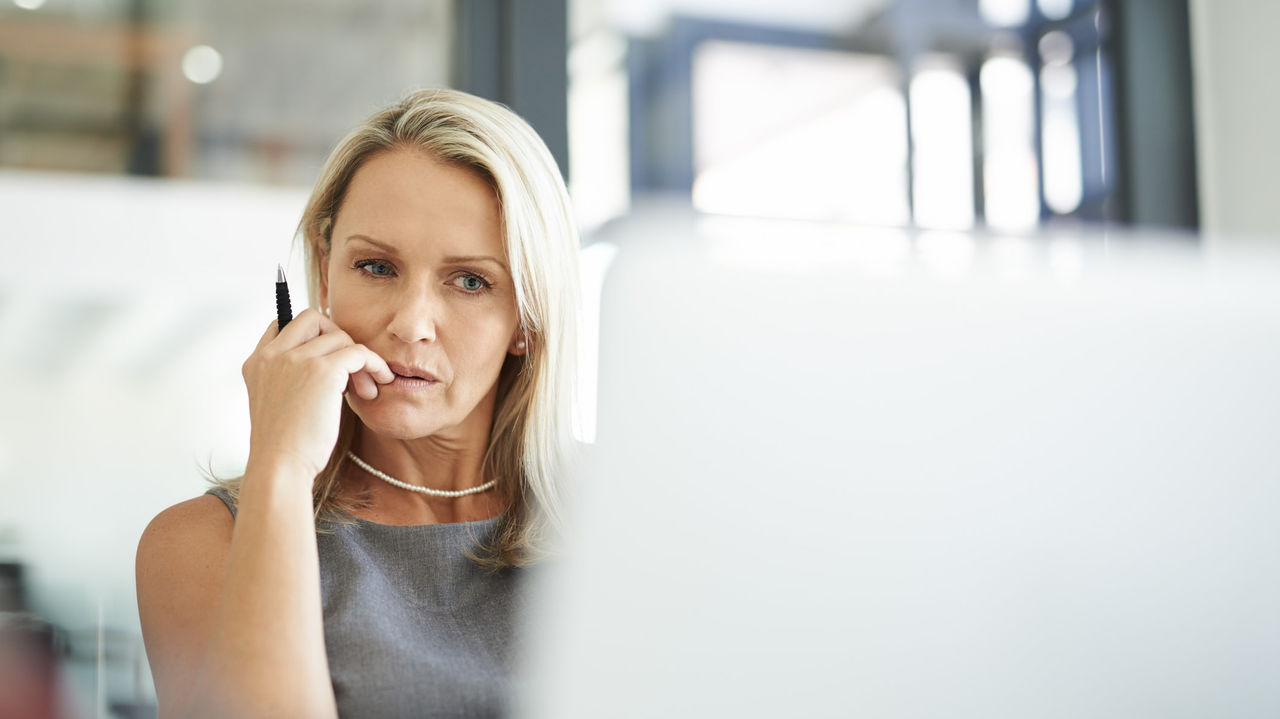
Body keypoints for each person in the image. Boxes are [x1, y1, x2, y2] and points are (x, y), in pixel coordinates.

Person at [135, 89, 580, 718]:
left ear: (528, 318)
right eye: (376, 267)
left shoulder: (628, 517)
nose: (411, 324)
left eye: (471, 281)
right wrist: (281, 467)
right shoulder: (204, 543)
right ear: (324, 273)